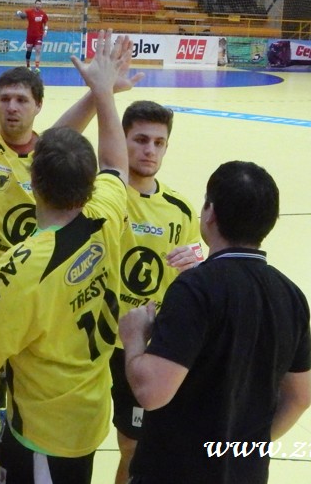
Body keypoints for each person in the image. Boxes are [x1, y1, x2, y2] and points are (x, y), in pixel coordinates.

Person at [0, 31, 134, 484]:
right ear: (90, 184)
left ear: (33, 183)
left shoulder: (21, 265)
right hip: (90, 413)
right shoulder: (105, 215)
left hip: (44, 432)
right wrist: (103, 94)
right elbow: (116, 164)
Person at [120, 161, 311, 484]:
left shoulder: (195, 288)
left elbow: (152, 392)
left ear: (209, 212)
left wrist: (134, 337)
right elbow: (299, 399)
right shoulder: (291, 296)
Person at [110, 101, 203, 484]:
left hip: (141, 346)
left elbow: (198, 272)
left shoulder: (180, 209)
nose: (150, 150)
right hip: (91, 340)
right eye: (141, 140)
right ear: (122, 140)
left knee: (132, 446)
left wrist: (196, 263)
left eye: (159, 143)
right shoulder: (104, 196)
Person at [15, 0, 48, 72]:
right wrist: (19, 13)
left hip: (39, 35)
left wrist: (45, 31)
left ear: (41, 5)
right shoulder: (29, 12)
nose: (38, 5)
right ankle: (28, 66)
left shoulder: (43, 14)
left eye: (40, 4)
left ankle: (37, 67)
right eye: (37, 4)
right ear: (35, 4)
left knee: (38, 50)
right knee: (29, 50)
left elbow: (46, 23)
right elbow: (23, 16)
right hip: (30, 35)